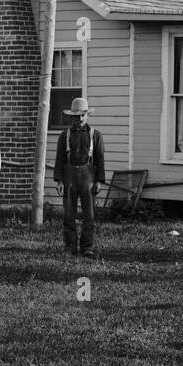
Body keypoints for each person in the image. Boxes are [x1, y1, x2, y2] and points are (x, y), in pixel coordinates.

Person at [54, 97, 106, 257]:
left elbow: (100, 159)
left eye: (83, 115)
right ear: (71, 117)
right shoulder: (65, 135)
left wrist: (98, 180)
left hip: (88, 175)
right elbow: (60, 158)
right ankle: (70, 246)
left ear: (87, 115)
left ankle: (87, 246)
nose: (80, 119)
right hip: (69, 175)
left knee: (89, 214)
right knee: (69, 214)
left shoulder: (95, 135)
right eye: (76, 116)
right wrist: (60, 180)